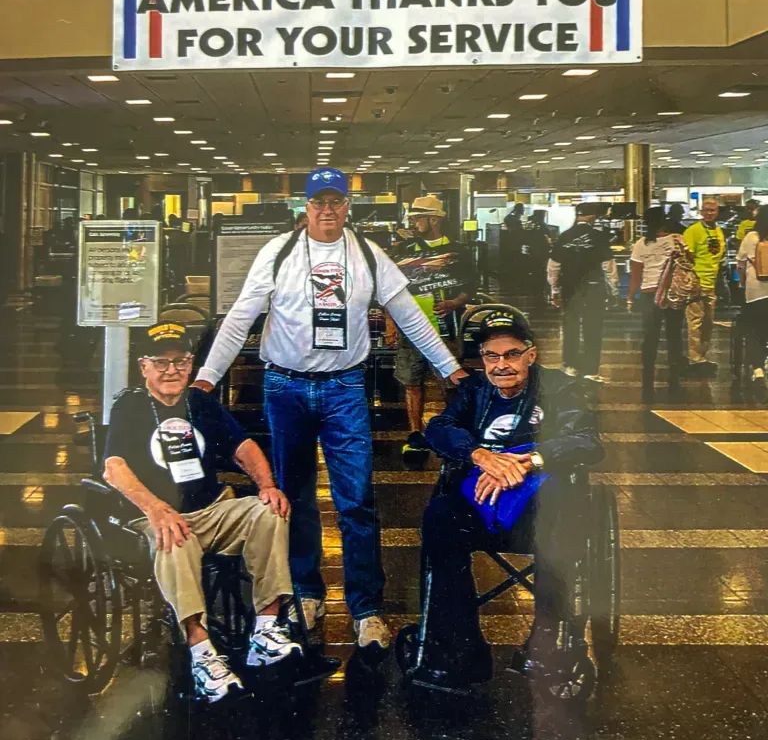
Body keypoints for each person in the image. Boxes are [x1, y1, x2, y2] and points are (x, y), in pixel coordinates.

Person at [191, 169, 467, 651]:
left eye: (335, 201)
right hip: (286, 389)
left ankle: (366, 609)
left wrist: (449, 369)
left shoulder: (367, 254)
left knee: (356, 501)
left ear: (346, 207)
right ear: (305, 207)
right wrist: (206, 378)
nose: (327, 210)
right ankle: (305, 592)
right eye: (318, 202)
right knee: (289, 498)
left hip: (345, 389)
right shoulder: (278, 253)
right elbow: (240, 316)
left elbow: (409, 315)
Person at [103, 322, 301, 703]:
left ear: (191, 364)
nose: (171, 370)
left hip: (213, 510)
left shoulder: (201, 402)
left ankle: (265, 628)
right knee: (173, 536)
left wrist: (267, 485)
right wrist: (157, 509)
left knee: (269, 512)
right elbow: (114, 468)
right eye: (161, 362)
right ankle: (201, 652)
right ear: (144, 366)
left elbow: (242, 445)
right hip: (158, 518)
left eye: (179, 361)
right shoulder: (129, 406)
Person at [411, 310, 603, 693]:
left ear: (531, 355)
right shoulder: (473, 392)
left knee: (561, 513)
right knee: (439, 517)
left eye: (512, 354)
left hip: (539, 510)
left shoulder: (561, 388)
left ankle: (543, 642)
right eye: (492, 356)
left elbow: (587, 441)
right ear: (482, 359)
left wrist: (529, 461)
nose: (502, 365)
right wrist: (482, 456)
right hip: (479, 507)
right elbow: (440, 428)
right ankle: (463, 647)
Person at [390, 195, 475, 457]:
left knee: (450, 383)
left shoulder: (459, 251)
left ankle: (453, 430)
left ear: (434, 219)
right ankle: (415, 433)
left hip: (445, 327)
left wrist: (454, 302)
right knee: (411, 381)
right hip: (410, 327)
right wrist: (390, 323)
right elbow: (390, 289)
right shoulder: (403, 251)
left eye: (418, 218)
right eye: (412, 218)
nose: (413, 223)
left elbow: (470, 287)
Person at [547, 203, 618, 382]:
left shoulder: (564, 236)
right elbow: (609, 266)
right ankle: (591, 369)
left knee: (570, 326)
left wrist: (554, 290)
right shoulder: (599, 237)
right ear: (591, 215)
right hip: (594, 288)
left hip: (570, 288)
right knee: (593, 328)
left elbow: (553, 266)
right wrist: (614, 290)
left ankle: (570, 365)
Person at [626, 207, 685, 403]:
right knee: (674, 338)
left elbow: (636, 275)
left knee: (650, 340)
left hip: (649, 296)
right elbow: (690, 262)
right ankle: (675, 382)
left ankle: (648, 384)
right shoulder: (676, 240)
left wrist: (629, 298)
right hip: (673, 296)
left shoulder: (641, 244)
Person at [683, 197, 726, 376]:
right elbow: (686, 255)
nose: (709, 213)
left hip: (711, 283)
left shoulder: (718, 230)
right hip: (696, 282)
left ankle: (702, 355)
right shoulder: (693, 231)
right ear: (701, 211)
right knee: (695, 321)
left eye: (712, 210)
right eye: (706, 210)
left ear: (717, 212)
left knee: (708, 322)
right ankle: (694, 358)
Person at [737, 204, 768, 385]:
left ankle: (757, 368)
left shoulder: (751, 237)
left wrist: (741, 283)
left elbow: (740, 264)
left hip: (755, 292)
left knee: (753, 330)